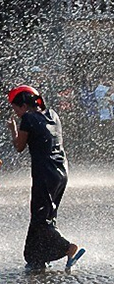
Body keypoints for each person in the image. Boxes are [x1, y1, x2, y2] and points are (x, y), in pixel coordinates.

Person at [5, 85, 85, 272]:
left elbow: (19, 146)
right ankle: (36, 258)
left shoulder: (27, 119)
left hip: (44, 174)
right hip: (61, 173)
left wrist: (13, 129)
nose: (16, 113)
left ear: (24, 105)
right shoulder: (53, 114)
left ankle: (67, 247)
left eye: (16, 109)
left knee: (42, 220)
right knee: (45, 216)